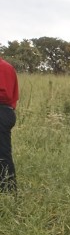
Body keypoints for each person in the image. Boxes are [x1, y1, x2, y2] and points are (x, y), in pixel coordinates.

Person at [0, 55, 19, 191]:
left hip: (1, 111)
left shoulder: (3, 67)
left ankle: (8, 189)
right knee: (3, 151)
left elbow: (4, 94)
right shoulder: (9, 67)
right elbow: (14, 95)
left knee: (3, 153)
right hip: (7, 111)